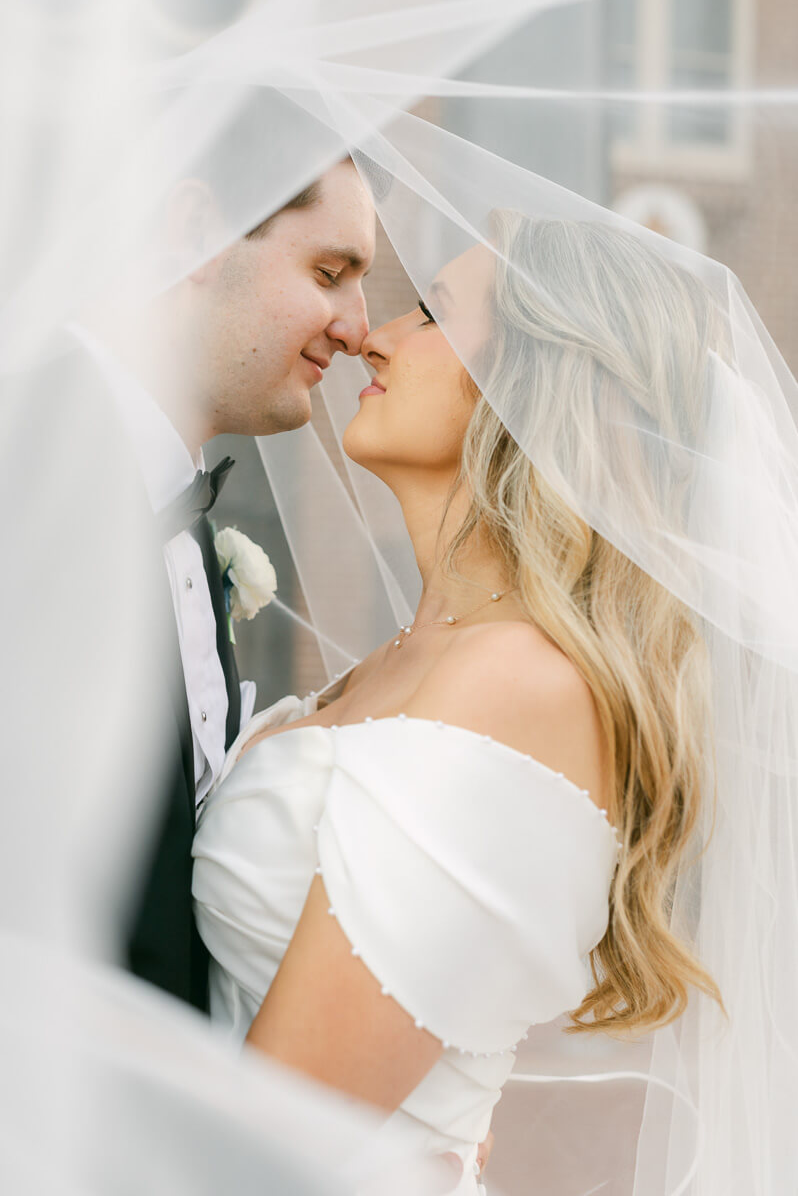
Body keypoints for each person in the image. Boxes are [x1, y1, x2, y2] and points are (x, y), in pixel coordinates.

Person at [192, 217, 726, 1192]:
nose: (373, 335)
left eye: (434, 312)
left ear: (535, 379)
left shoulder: (518, 684)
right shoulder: (421, 660)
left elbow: (268, 1133)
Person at [71, 158, 375, 1009]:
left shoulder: (187, 528)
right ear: (198, 234)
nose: (357, 329)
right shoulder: (33, 464)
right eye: (330, 273)